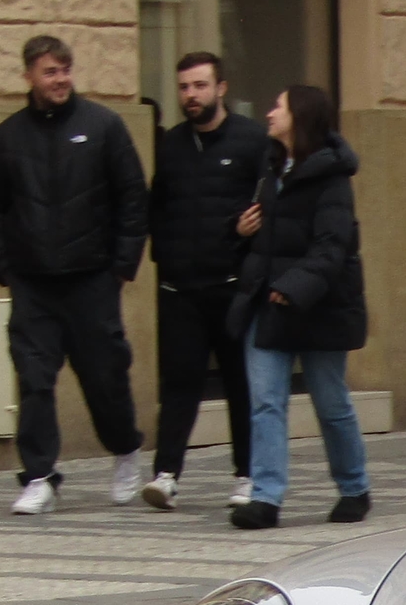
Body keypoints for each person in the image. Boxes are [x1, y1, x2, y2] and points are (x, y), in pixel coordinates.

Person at [0, 33, 147, 515]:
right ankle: (38, 476)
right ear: (28, 75)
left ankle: (126, 448)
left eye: (66, 71)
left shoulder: (103, 126)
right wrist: (4, 267)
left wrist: (121, 266)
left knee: (104, 378)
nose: (60, 80)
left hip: (92, 279)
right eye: (50, 72)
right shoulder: (8, 137)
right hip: (32, 282)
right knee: (33, 379)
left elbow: (132, 196)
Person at [227, 86, 370, 531]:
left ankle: (354, 487)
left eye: (279, 107)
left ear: (301, 117)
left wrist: (293, 287)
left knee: (330, 402)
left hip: (319, 306)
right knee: (266, 402)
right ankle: (266, 497)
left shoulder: (332, 179)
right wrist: (241, 230)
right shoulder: (271, 167)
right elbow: (267, 236)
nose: (269, 112)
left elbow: (332, 246)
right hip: (269, 302)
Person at [138, 52, 265, 512]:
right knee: (180, 384)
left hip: (232, 285)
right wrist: (163, 260)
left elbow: (269, 202)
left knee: (240, 383)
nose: (191, 95)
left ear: (221, 88)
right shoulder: (171, 144)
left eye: (200, 86)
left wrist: (248, 232)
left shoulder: (251, 140)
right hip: (181, 288)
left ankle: (248, 475)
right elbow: (159, 207)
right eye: (185, 87)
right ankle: (166, 474)